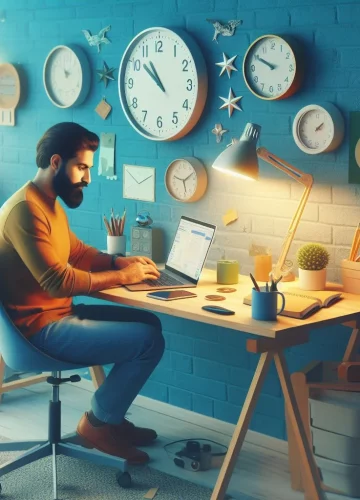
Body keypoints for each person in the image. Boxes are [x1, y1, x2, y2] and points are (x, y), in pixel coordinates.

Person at [0, 122, 165, 465]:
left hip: (58, 316)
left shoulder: (49, 204)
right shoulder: (25, 211)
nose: (88, 177)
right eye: (82, 167)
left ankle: (110, 420)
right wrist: (124, 275)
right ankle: (98, 425)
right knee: (147, 340)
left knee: (148, 322)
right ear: (57, 162)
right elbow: (58, 281)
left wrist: (120, 260)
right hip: (38, 331)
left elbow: (77, 254)